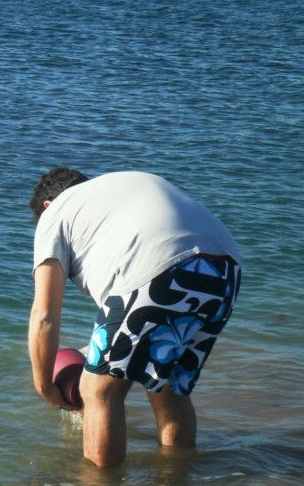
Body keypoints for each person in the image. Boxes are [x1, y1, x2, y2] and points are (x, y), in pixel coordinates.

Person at [28, 168, 241, 468]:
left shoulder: (56, 212)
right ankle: (173, 484)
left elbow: (45, 316)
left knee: (98, 392)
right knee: (168, 387)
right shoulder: (113, 191)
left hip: (159, 264)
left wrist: (45, 387)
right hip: (225, 269)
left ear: (47, 206)